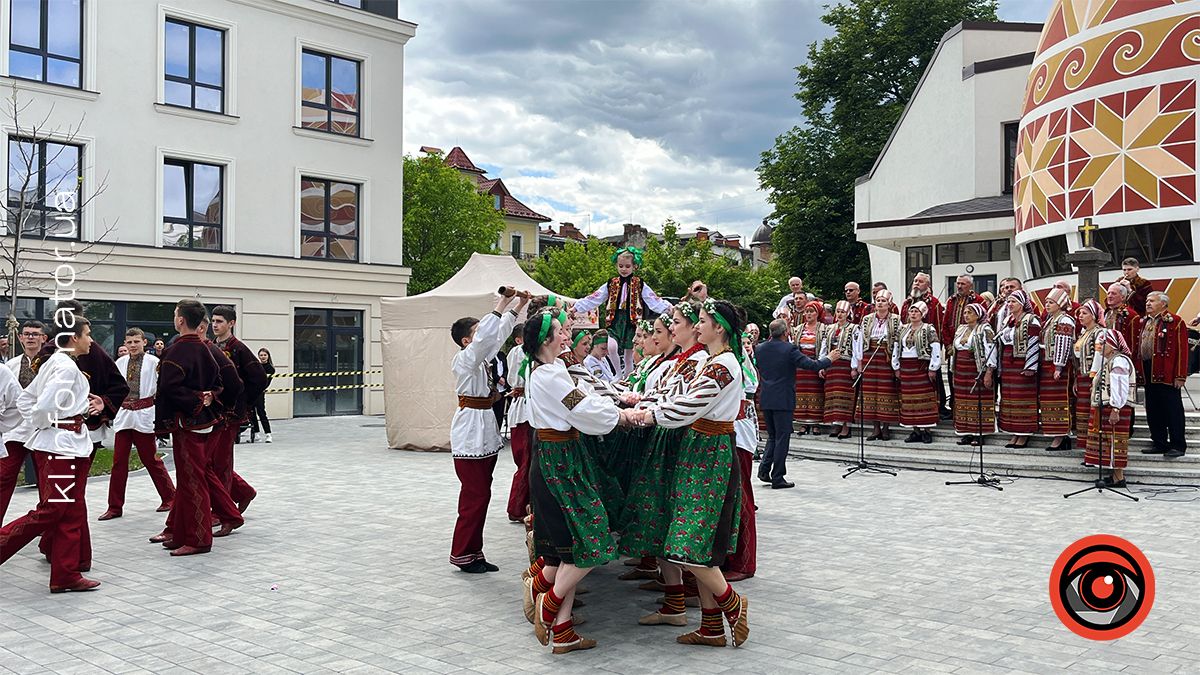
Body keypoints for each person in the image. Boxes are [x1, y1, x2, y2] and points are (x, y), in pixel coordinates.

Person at [636, 298, 753, 648]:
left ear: (719, 328)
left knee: (687, 544)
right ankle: (711, 628)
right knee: (698, 547)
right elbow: (681, 398)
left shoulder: (724, 365)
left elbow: (691, 404)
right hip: (698, 448)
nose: (697, 326)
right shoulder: (714, 361)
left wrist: (651, 415)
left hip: (711, 453)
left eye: (702, 321)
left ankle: (732, 602)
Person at [523, 308, 636, 654]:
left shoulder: (551, 370)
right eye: (561, 331)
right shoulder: (550, 376)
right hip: (561, 462)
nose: (566, 335)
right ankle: (549, 602)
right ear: (547, 339)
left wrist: (614, 407)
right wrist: (621, 415)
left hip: (561, 456)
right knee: (592, 536)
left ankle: (563, 631)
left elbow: (584, 399)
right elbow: (581, 409)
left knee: (570, 546)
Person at [0, 314, 100, 592]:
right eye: (87, 334)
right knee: (53, 509)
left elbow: (26, 398)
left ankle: (65, 574)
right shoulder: (64, 366)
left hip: (66, 444)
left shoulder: (57, 362)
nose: (91, 340)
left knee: (70, 510)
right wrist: (44, 423)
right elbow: (41, 405)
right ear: (73, 338)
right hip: (60, 447)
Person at [448, 290, 525, 573]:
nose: (483, 336)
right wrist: (501, 304)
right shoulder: (465, 360)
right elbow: (485, 340)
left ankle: (474, 551)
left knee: (482, 495)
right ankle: (462, 552)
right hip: (470, 430)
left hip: (483, 425)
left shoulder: (479, 359)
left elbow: (496, 336)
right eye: (477, 332)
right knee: (475, 495)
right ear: (466, 341)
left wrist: (518, 306)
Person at [99, 328, 175, 521]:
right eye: (129, 342)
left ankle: (170, 497)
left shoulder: (154, 362)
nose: (133, 345)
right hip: (124, 415)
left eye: (136, 342)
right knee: (119, 462)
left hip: (145, 414)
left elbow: (162, 388)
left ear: (144, 342)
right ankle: (114, 506)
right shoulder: (120, 362)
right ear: (125, 343)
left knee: (151, 459)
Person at [755, 319, 835, 488]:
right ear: (786, 332)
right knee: (782, 438)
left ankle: (764, 470)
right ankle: (778, 477)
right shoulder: (789, 349)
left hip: (766, 397)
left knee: (772, 436)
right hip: (783, 398)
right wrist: (829, 358)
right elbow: (812, 365)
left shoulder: (760, 348)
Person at [570, 247, 672, 377]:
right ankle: (618, 373)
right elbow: (595, 297)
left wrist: (668, 307)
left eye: (627, 266)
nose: (624, 269)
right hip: (615, 319)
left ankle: (627, 375)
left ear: (635, 266)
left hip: (631, 321)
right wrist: (576, 307)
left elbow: (652, 299)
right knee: (612, 346)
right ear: (616, 265)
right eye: (620, 266)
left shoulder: (639, 283)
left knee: (629, 354)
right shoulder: (611, 283)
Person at [210, 306, 266, 516]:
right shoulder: (211, 346)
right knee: (210, 461)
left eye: (219, 321)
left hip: (230, 414)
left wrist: (243, 402)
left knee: (221, 462)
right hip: (213, 412)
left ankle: (222, 511)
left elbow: (259, 378)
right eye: (213, 321)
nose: (215, 325)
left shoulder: (239, 349)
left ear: (231, 323)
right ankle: (243, 491)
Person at [722, 325, 759, 582]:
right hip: (727, 431)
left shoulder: (733, 356)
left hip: (738, 432)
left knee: (742, 496)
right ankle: (728, 557)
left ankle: (745, 562)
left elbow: (752, 384)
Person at [1, 321, 47, 520]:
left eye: (35, 334)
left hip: (42, 428)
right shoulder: (10, 366)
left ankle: (45, 524)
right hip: (16, 429)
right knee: (3, 476)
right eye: (26, 334)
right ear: (20, 338)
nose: (30, 337)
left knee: (45, 480)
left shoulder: (51, 364)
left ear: (44, 338)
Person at [1135, 291, 1187, 458]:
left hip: (1167, 372)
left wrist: (1180, 375)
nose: (1148, 303)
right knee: (1153, 409)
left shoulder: (1175, 321)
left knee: (1172, 410)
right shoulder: (1144, 321)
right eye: (1147, 301)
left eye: (1152, 301)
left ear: (1163, 304)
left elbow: (1182, 350)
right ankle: (1159, 442)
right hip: (1148, 370)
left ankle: (1178, 445)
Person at [1086, 329, 1136, 486]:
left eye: (1103, 343)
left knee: (1115, 441)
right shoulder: (1111, 360)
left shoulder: (1119, 361)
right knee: (1109, 441)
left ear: (1112, 345)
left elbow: (1120, 387)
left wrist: (1116, 409)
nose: (1099, 347)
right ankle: (1114, 476)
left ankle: (1119, 478)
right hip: (1108, 406)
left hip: (1115, 407)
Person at [997, 291, 1040, 449]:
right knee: (1009, 397)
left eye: (1013, 302)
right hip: (1008, 362)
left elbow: (1034, 342)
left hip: (1022, 362)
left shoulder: (1031, 319)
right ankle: (1014, 431)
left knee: (1022, 396)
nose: (1010, 305)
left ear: (1022, 304)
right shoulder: (1008, 320)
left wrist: (1030, 366)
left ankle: (1024, 433)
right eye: (1008, 302)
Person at [901, 272, 948, 419]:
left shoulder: (934, 303)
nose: (916, 284)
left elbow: (939, 326)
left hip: (927, 351)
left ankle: (937, 408)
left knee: (933, 380)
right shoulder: (907, 303)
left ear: (928, 285)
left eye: (920, 281)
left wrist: (935, 351)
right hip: (908, 351)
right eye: (915, 281)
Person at [857, 291, 903, 440]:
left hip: (886, 357)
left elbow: (898, 342)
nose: (880, 303)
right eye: (878, 300)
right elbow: (860, 341)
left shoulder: (896, 320)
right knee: (870, 393)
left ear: (889, 303)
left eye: (883, 300)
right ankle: (875, 428)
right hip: (870, 357)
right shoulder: (867, 319)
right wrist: (859, 362)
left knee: (886, 391)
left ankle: (886, 427)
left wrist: (896, 364)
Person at [893, 302, 941, 444]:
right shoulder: (903, 329)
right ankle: (915, 431)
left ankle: (927, 431)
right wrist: (896, 366)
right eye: (911, 311)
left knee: (924, 398)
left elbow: (935, 348)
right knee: (909, 399)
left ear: (922, 314)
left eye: (916, 312)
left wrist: (933, 367)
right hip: (906, 367)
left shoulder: (929, 329)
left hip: (921, 366)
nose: (913, 314)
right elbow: (896, 347)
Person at [950, 303, 996, 446]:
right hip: (961, 370)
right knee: (963, 400)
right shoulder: (961, 329)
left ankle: (979, 433)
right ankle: (966, 432)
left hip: (976, 370)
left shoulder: (985, 329)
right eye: (965, 312)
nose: (966, 315)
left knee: (977, 400)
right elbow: (955, 349)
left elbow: (991, 351)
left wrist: (989, 372)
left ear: (978, 315)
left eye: (970, 312)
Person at [1041, 289, 1077, 451]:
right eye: (1046, 302)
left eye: (1051, 302)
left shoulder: (1065, 320)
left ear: (1060, 304)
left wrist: (1058, 366)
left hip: (1058, 366)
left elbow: (1063, 344)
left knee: (1060, 400)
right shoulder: (1051, 319)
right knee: (1049, 401)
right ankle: (1054, 432)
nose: (1047, 305)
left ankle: (1061, 435)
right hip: (1048, 364)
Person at [505, 323, 532, 523]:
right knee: (525, 460)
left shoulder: (521, 351)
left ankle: (524, 504)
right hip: (523, 409)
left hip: (522, 406)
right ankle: (517, 506)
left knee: (525, 459)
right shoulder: (520, 351)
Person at [1073, 300, 1105, 458]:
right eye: (1080, 313)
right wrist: (1076, 378)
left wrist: (1095, 379)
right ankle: (1087, 448)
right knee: (1083, 412)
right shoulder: (1084, 332)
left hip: (1092, 378)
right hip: (1082, 376)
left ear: (1093, 316)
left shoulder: (1100, 333)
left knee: (1092, 412)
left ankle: (1094, 450)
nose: (1080, 316)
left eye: (1084, 313)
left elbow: (1099, 358)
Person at [820, 301, 857, 439]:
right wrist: (822, 364)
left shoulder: (854, 328)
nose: (840, 314)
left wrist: (854, 367)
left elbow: (856, 349)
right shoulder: (830, 328)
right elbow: (824, 347)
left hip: (845, 364)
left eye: (843, 312)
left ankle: (846, 425)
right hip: (832, 365)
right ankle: (836, 423)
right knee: (833, 394)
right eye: (838, 312)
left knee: (845, 394)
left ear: (848, 314)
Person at [792, 301, 827, 435]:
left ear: (818, 313)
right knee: (802, 392)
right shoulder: (799, 329)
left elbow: (825, 346)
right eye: (806, 311)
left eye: (811, 311)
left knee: (816, 392)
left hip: (815, 361)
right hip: (801, 364)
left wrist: (821, 364)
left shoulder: (823, 328)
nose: (808, 314)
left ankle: (816, 423)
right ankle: (803, 422)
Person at [1105, 283, 1140, 358]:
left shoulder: (1130, 315)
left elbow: (1133, 344)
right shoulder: (1106, 313)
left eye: (1113, 293)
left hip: (1121, 357)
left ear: (1123, 297)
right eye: (1108, 293)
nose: (1110, 296)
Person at [250, 348, 274, 443]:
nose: (263, 357)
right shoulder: (257, 366)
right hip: (252, 393)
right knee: (252, 413)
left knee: (261, 413)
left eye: (265, 355)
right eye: (261, 355)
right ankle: (256, 434)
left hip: (260, 393)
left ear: (268, 356)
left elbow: (266, 383)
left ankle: (268, 434)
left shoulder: (270, 368)